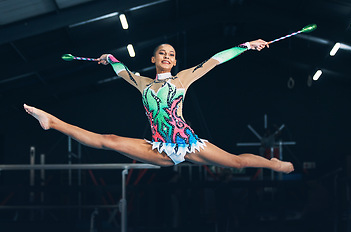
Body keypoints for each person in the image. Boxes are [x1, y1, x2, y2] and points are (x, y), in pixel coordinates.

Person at [24, 39, 294, 173]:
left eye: (172, 54)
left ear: (175, 62)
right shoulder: (142, 83)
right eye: (162, 53)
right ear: (153, 58)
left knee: (235, 163)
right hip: (160, 148)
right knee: (110, 140)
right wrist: (109, 58)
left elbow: (215, 59)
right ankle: (51, 120)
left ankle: (273, 165)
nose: (167, 56)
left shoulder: (184, 78)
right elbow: (121, 70)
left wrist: (247, 45)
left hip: (189, 143)